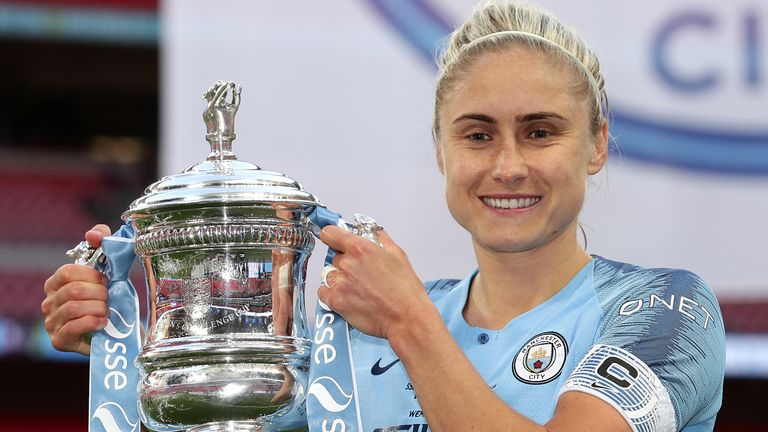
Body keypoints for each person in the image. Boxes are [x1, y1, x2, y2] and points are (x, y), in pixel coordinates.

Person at [42, 1, 724, 431]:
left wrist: (409, 325)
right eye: (478, 134)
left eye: (541, 132)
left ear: (598, 144)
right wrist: (129, 348)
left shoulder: (666, 306)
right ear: (440, 150)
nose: (508, 166)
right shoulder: (365, 333)